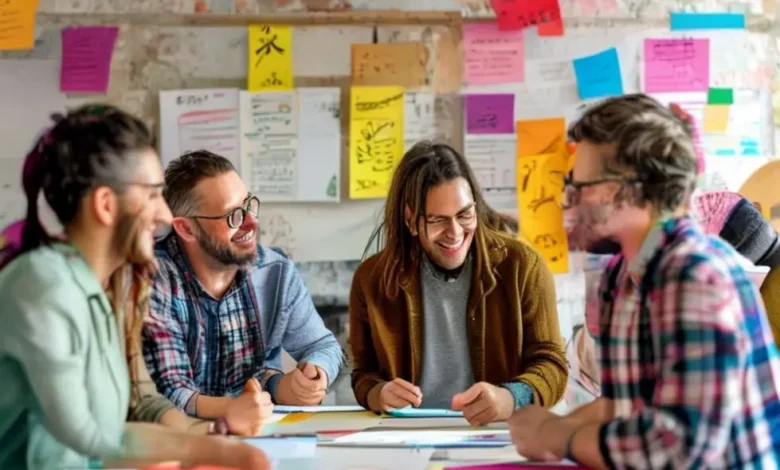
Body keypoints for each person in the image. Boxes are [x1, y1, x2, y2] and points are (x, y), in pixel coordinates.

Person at [508, 94, 780, 468]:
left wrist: (562, 437)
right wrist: (548, 429)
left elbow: (678, 448)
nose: (566, 201)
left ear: (628, 190)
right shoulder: (621, 277)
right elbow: (625, 404)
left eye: (579, 186)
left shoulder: (696, 276)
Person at [0, 105, 269, 469]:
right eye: (154, 194)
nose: (163, 215)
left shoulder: (105, 286)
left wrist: (213, 443)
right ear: (106, 205)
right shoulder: (44, 288)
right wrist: (213, 449)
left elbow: (122, 423)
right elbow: (91, 438)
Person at [349, 141, 568, 426]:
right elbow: (363, 374)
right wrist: (378, 394)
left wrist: (511, 397)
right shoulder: (372, 279)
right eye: (438, 220)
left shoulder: (523, 267)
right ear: (411, 220)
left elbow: (553, 364)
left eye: (465, 215)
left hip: (496, 433)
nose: (455, 232)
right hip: (405, 434)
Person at [143, 150, 344, 422]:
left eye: (249, 204)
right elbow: (170, 392)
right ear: (186, 229)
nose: (252, 222)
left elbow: (325, 346)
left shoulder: (276, 272)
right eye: (233, 216)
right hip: (182, 439)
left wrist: (313, 375)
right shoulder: (152, 278)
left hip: (262, 434)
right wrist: (237, 407)